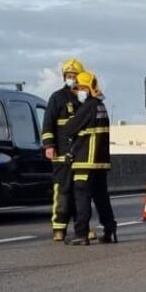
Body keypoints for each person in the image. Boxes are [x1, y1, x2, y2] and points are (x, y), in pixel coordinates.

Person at [61, 71, 117, 246]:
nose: (79, 92)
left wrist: (69, 120)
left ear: (89, 88)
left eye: (81, 88)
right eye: (77, 89)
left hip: (86, 160)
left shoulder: (89, 107)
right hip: (100, 162)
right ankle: (110, 231)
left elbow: (69, 129)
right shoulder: (101, 106)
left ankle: (81, 234)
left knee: (81, 197)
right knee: (101, 198)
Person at [41, 58, 85, 242]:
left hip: (81, 153)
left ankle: (82, 227)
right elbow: (48, 123)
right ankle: (59, 228)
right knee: (63, 191)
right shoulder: (57, 97)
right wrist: (49, 146)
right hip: (61, 152)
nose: (71, 79)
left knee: (81, 193)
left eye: (74, 76)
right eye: (68, 76)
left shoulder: (84, 98)